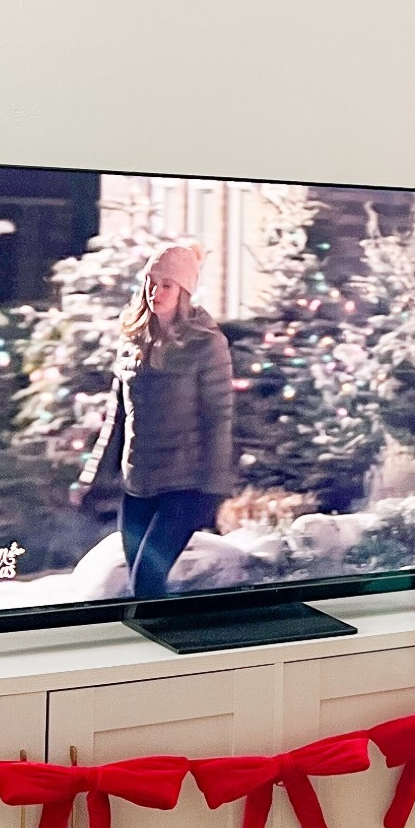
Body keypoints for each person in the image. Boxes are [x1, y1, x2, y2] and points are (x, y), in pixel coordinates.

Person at [75, 241, 235, 599]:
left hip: (186, 485)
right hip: (139, 483)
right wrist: (91, 478)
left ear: (183, 291)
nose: (155, 292)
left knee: (148, 580)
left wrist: (214, 485)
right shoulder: (132, 342)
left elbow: (218, 417)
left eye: (166, 285)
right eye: (151, 282)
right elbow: (116, 418)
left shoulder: (206, 344)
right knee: (142, 589)